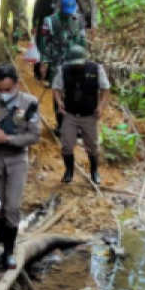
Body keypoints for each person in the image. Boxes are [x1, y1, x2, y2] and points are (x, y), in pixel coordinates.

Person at [0, 64, 42, 270]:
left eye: (8, 89)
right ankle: (0, 241)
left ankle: (8, 252)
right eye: (0, 89)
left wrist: (8, 139)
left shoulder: (29, 103)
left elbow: (34, 135)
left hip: (16, 159)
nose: (3, 94)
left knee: (13, 206)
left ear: (17, 85)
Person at [52, 44, 110, 185]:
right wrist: (59, 102)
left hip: (89, 114)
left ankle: (94, 172)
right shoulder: (63, 70)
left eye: (80, 64)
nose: (77, 67)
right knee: (66, 144)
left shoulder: (96, 69)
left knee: (92, 145)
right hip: (70, 114)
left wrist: (101, 106)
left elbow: (105, 88)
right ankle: (69, 171)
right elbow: (56, 88)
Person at [40, 0, 87, 137]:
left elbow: (82, 40)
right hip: (57, 64)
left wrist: (84, 59)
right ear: (60, 7)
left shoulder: (78, 19)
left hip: (75, 63)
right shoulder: (49, 21)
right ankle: (61, 125)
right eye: (66, 11)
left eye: (70, 11)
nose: (68, 14)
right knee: (58, 94)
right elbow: (44, 43)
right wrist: (44, 62)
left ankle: (75, 126)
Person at [31, 0, 62, 84]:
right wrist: (34, 23)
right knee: (40, 45)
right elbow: (36, 6)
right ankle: (38, 72)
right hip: (42, 21)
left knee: (52, 47)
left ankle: (49, 75)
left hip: (54, 22)